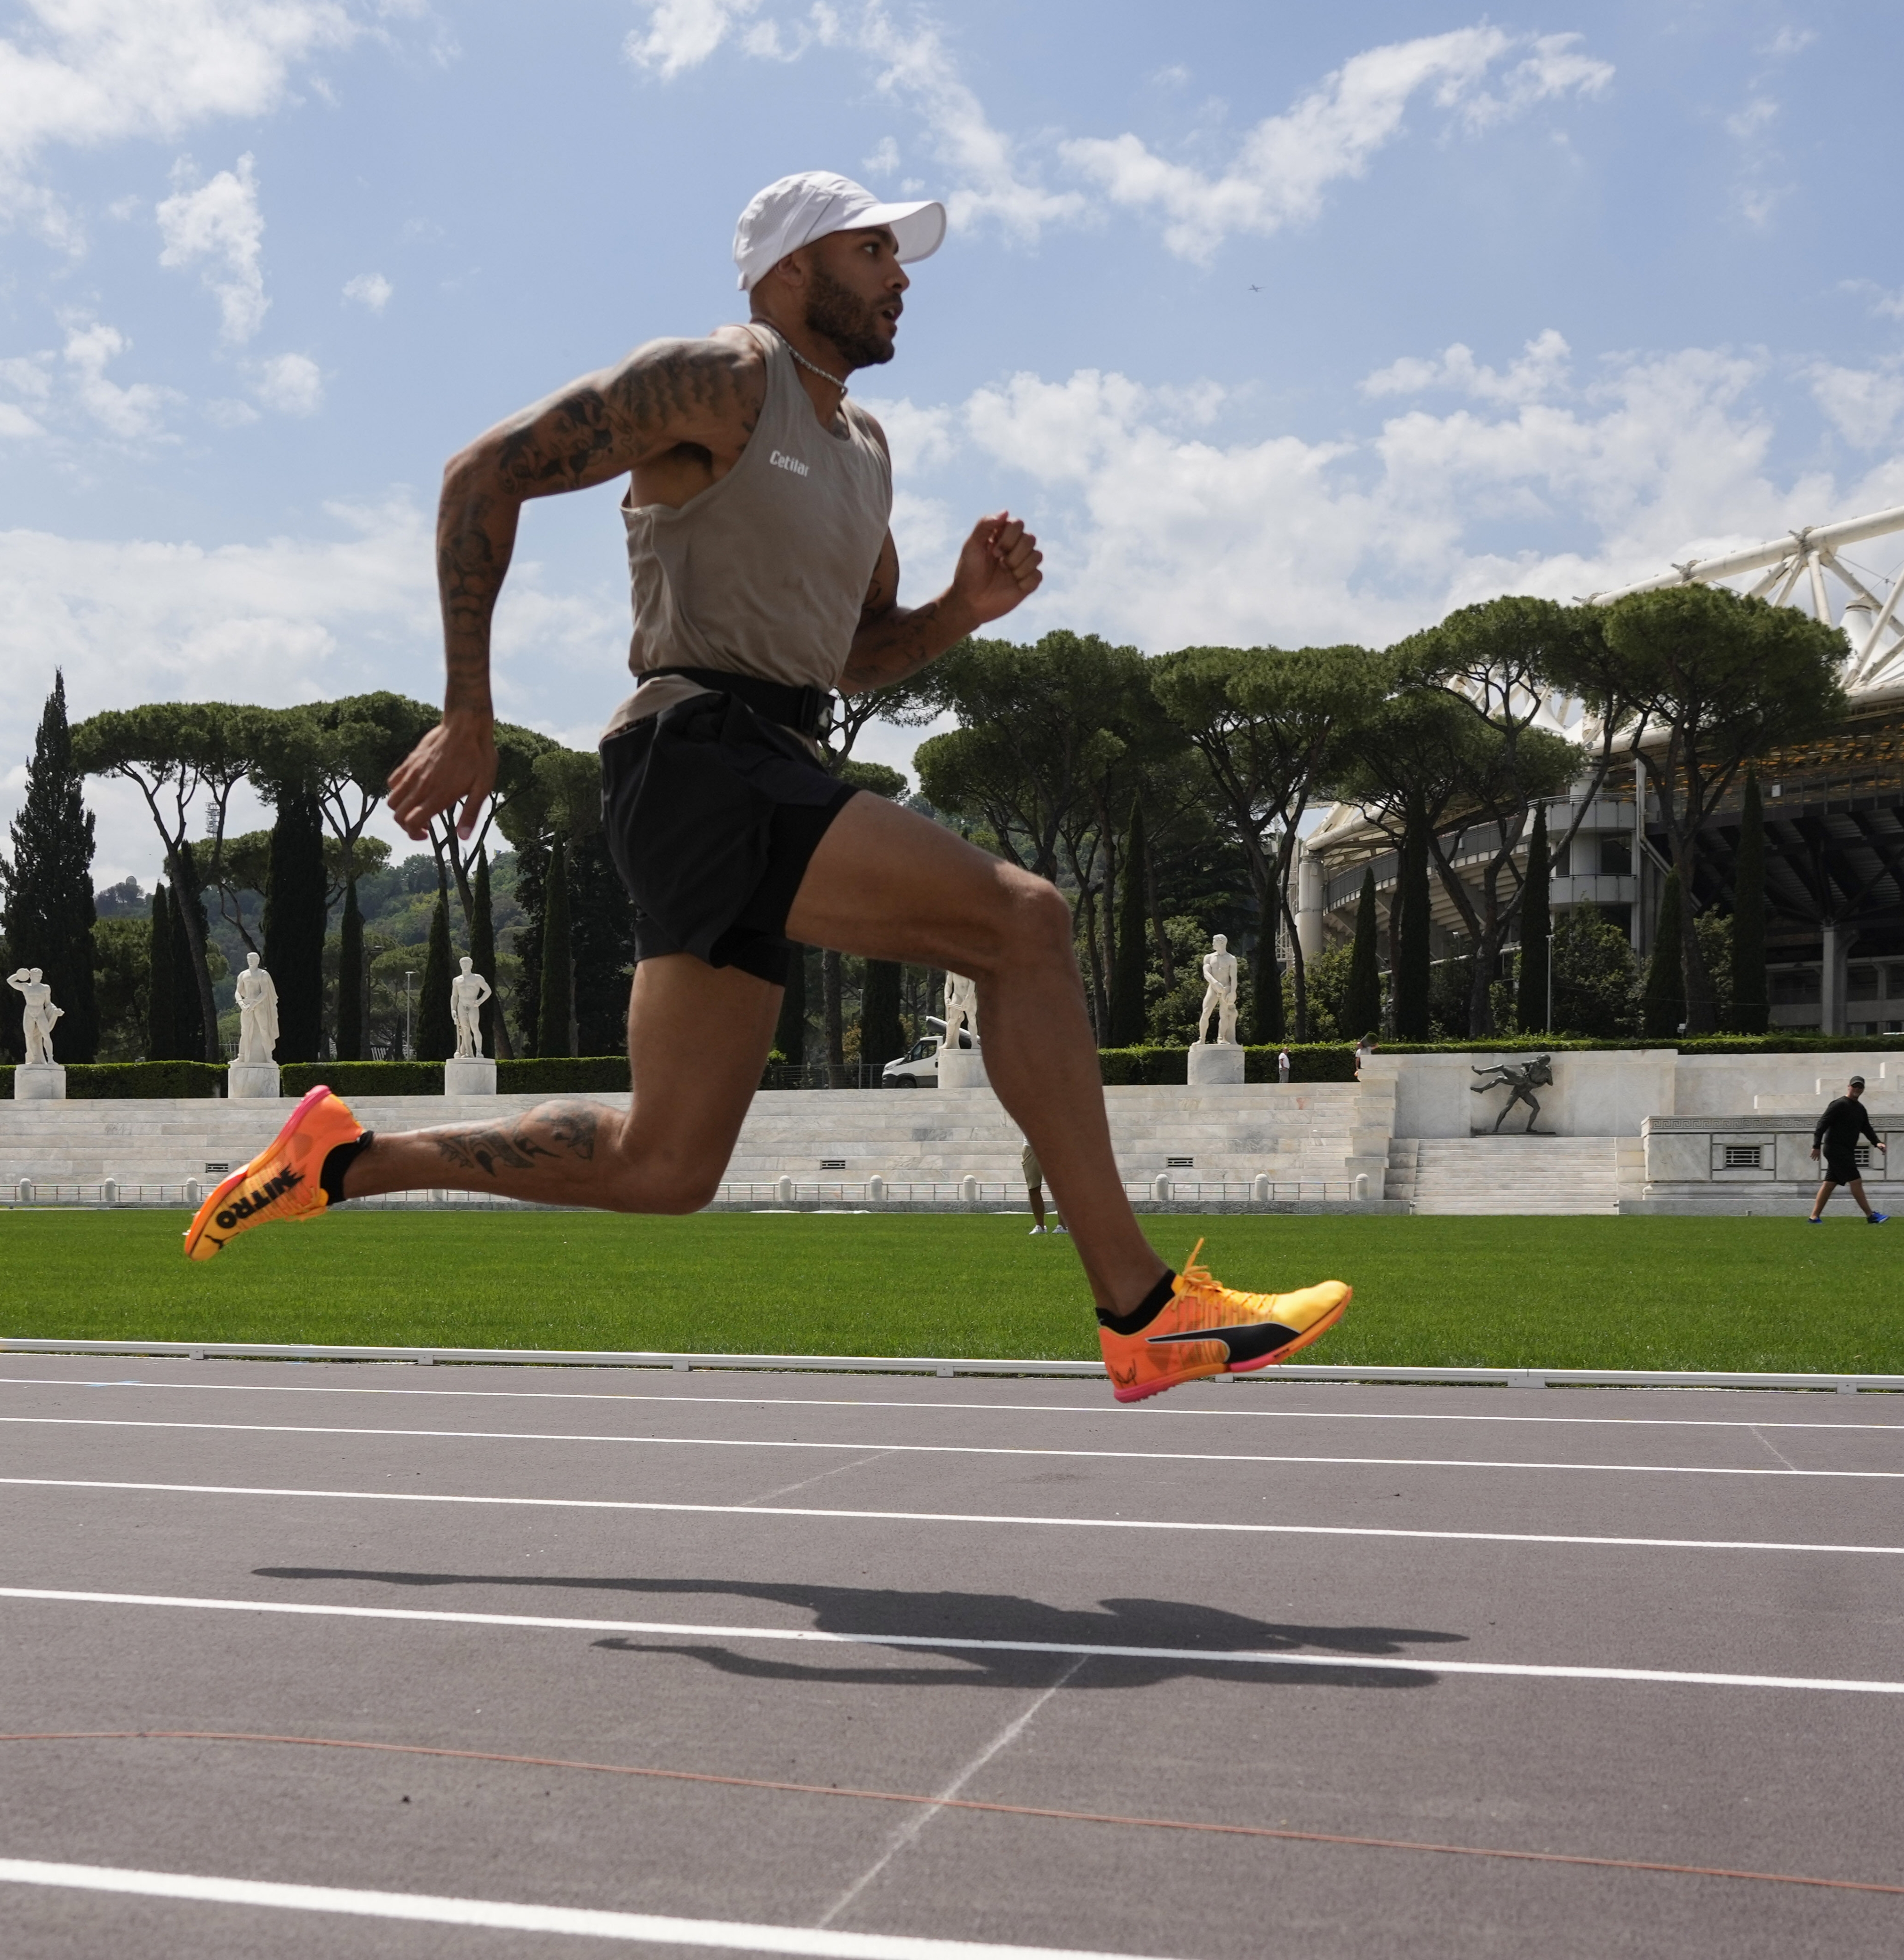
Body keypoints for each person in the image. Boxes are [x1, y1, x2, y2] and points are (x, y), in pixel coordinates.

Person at [181, 171, 1348, 1403]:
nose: (903, 275)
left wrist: (962, 609)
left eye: (905, 256)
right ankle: (1142, 1307)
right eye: (875, 252)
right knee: (1025, 921)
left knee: (665, 1161)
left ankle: (342, 1159)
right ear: (792, 268)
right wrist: (470, 713)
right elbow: (485, 472)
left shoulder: (866, 451)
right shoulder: (725, 379)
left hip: (764, 764)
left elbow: (851, 656)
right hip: (695, 753)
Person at [1808, 1074, 1888, 1223]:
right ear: (1849, 1087)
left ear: (1863, 1089)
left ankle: (1814, 1217)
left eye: (1860, 1087)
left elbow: (1866, 1128)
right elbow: (1822, 1125)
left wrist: (1877, 1143)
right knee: (1856, 1181)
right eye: (1855, 1086)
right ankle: (1871, 1216)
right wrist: (1816, 1146)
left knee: (1830, 1183)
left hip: (1846, 1150)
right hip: (1835, 1149)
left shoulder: (1860, 1109)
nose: (1857, 1089)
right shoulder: (1838, 1104)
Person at [1020, 1137, 1062, 1235]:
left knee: (1058, 1189)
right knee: (1033, 1187)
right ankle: (1040, 1226)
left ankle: (1062, 1226)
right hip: (1030, 1146)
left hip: (1054, 1146)